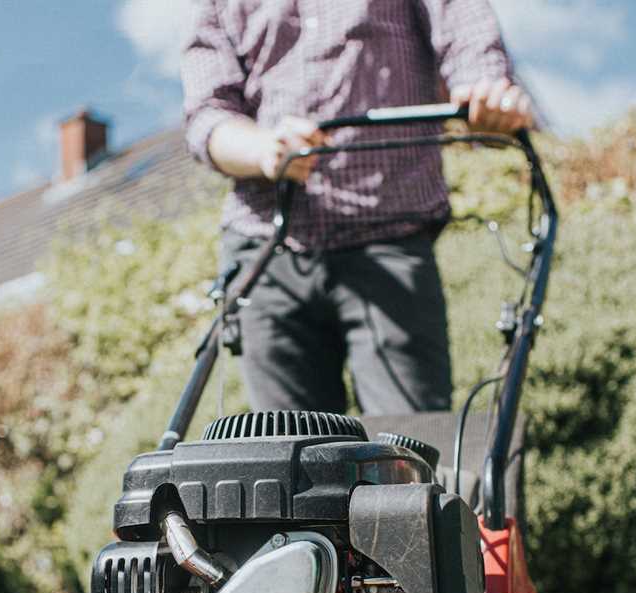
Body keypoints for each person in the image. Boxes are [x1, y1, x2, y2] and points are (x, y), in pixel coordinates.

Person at [181, 0, 534, 416]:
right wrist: (264, 149)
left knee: (406, 452)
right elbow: (208, 115)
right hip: (265, 249)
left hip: (390, 239)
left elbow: (467, 35)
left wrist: (485, 91)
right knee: (287, 462)